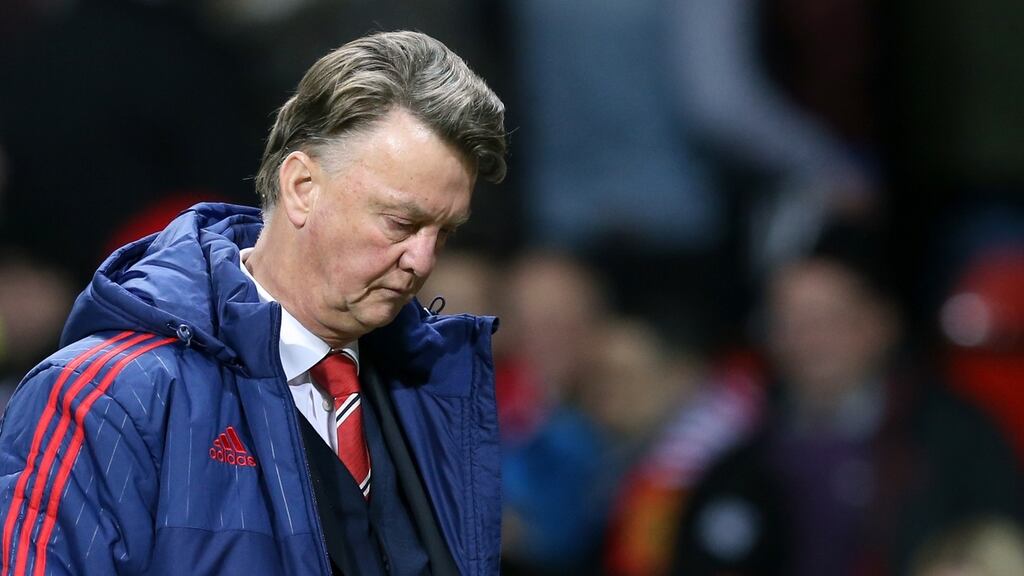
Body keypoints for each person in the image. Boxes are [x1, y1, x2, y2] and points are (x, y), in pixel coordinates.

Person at [0, 30, 507, 576]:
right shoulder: (106, 396)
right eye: (401, 223)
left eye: (444, 232)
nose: (424, 260)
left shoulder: (434, 393)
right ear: (302, 187)